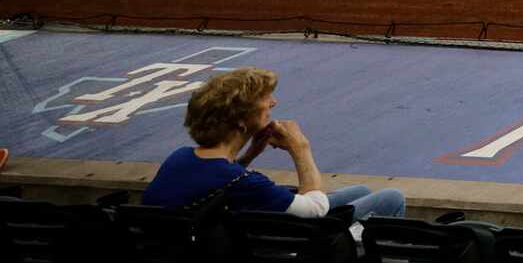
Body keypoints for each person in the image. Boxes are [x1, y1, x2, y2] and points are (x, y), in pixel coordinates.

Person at [145, 67, 405, 225]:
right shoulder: (245, 183)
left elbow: (216, 179)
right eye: (264, 99)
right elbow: (315, 210)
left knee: (361, 190)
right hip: (277, 255)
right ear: (240, 121)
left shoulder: (178, 158)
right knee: (391, 198)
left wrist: (249, 154)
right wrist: (300, 149)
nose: (272, 103)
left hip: (201, 245)